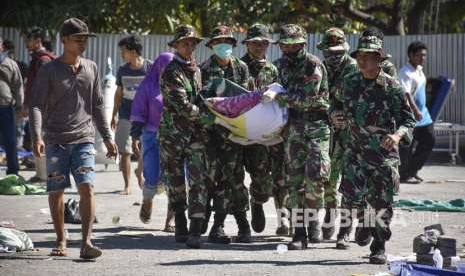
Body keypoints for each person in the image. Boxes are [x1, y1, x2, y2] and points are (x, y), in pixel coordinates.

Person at [30, 18, 118, 259]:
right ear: (64, 40)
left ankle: (86, 242)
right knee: (57, 191)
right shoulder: (49, 70)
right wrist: (37, 136)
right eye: (78, 39)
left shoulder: (91, 67)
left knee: (87, 187)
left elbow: (98, 105)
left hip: (83, 139)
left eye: (85, 39)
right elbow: (36, 105)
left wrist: (108, 137)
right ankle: (61, 238)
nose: (83, 44)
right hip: (56, 140)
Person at [336, 35, 415, 264]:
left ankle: (378, 246)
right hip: (354, 151)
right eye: (359, 56)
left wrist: (397, 135)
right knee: (352, 198)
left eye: (367, 56)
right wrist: (335, 115)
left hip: (383, 154)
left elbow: (408, 121)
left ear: (379, 58)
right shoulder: (349, 81)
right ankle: (365, 222)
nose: (362, 60)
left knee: (382, 202)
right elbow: (336, 104)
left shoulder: (392, 87)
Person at [267, 24, 330, 250]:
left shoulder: (313, 64)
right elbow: (267, 89)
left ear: (301, 44)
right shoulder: (278, 66)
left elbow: (307, 97)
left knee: (315, 178)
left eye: (289, 44)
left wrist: (279, 97)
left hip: (316, 126)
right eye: (283, 44)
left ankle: (313, 221)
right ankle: (299, 232)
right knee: (294, 181)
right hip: (292, 128)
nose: (285, 47)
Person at [200, 25, 252, 244]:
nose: (224, 46)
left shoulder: (242, 68)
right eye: (218, 42)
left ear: (233, 44)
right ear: (212, 45)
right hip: (211, 134)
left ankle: (242, 225)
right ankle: (213, 225)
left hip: (235, 133)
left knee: (235, 179)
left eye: (228, 42)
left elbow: (248, 98)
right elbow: (200, 102)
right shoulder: (203, 69)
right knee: (213, 180)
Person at [159, 25, 207, 248]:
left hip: (195, 135)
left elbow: (200, 97)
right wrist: (209, 114)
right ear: (176, 45)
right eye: (185, 43)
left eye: (192, 43)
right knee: (175, 181)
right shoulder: (171, 71)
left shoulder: (196, 70)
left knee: (198, 179)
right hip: (173, 136)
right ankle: (180, 222)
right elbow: (182, 105)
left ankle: (196, 228)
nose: (189, 47)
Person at [240, 23, 289, 235]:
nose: (259, 46)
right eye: (255, 43)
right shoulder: (239, 67)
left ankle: (283, 221)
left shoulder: (273, 69)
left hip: (274, 130)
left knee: (281, 176)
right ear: (247, 44)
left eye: (263, 43)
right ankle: (257, 202)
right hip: (251, 131)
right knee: (259, 174)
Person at [316, 27, 358, 245]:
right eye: (329, 52)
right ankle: (331, 217)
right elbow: (318, 97)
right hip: (328, 131)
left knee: (350, 184)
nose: (333, 56)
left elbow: (363, 100)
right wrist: (331, 112)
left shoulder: (355, 68)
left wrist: (346, 116)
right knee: (330, 180)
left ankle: (346, 229)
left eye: (337, 52)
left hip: (353, 135)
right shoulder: (320, 68)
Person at [130, 52, 175, 230]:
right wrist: (135, 135)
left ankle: (170, 220)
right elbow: (139, 111)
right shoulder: (148, 86)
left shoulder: (180, 84)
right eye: (165, 68)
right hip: (151, 136)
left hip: (176, 137)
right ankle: (147, 200)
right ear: (157, 67)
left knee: (177, 177)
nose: (169, 71)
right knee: (151, 175)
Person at [111, 35, 151, 195]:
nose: (122, 54)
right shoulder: (122, 70)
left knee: (145, 148)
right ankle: (127, 185)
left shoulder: (149, 67)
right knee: (125, 151)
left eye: (124, 51)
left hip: (146, 116)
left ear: (133, 52)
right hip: (126, 114)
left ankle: (139, 171)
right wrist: (113, 114)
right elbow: (118, 93)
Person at [23, 27, 56, 182]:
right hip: (37, 106)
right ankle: (40, 174)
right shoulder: (37, 58)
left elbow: (46, 86)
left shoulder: (43, 60)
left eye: (29, 40)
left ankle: (43, 177)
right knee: (37, 138)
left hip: (43, 108)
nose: (26, 43)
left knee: (41, 138)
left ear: (38, 41)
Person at [399, 41, 433, 183]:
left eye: (424, 55)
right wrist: (415, 110)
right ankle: (404, 174)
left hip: (423, 116)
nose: (423, 58)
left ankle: (412, 170)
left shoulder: (418, 69)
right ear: (411, 55)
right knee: (407, 147)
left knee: (429, 140)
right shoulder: (405, 72)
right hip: (410, 115)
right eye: (419, 55)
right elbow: (406, 93)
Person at [0, 36, 24, 176]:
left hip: (6, 108)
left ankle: (13, 171)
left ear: (2, 46)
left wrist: (20, 106)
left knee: (10, 140)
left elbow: (18, 86)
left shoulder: (10, 64)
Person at [2, 39, 29, 152]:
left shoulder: (18, 65)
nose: (10, 54)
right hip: (9, 104)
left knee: (14, 134)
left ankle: (13, 166)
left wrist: (20, 104)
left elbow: (19, 85)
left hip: (8, 105)